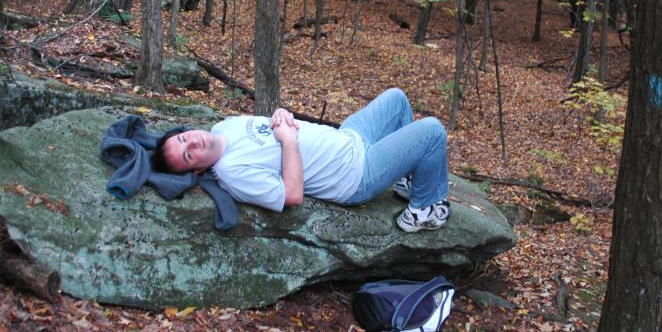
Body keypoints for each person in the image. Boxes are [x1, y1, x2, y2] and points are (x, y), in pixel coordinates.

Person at [152, 88, 450, 232]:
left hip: (349, 139)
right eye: (189, 155)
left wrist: (279, 114)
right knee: (433, 132)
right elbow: (291, 195)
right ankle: (423, 210)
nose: (192, 142)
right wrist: (289, 140)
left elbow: (270, 128)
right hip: (356, 174)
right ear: (200, 168)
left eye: (182, 139)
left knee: (397, 99)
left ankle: (408, 179)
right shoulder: (231, 172)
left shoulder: (222, 126)